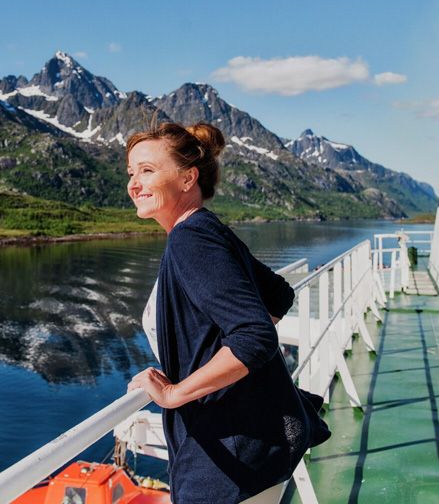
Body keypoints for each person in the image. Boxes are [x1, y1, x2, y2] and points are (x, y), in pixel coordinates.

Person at [126, 122, 329, 504]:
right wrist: (224, 353)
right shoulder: (207, 228)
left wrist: (172, 394)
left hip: (231, 457)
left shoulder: (191, 239)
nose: (134, 184)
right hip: (256, 444)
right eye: (131, 173)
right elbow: (278, 294)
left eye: (147, 171)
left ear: (188, 177)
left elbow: (254, 335)